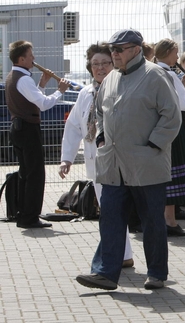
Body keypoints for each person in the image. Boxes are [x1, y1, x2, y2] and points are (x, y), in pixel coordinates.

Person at [76, 29, 181, 291]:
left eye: (118, 49)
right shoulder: (110, 78)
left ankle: (157, 273)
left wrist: (153, 144)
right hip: (113, 164)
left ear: (135, 49)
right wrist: (101, 138)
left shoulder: (155, 75)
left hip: (146, 164)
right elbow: (100, 112)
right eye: (112, 49)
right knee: (110, 219)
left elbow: (172, 116)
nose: (114, 54)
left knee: (151, 221)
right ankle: (105, 274)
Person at [60, 43, 134, 265]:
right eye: (95, 64)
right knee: (109, 211)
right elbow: (73, 126)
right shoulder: (86, 93)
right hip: (97, 164)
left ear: (114, 64)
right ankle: (124, 256)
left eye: (105, 63)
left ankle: (113, 259)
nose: (100, 68)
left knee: (114, 212)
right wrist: (67, 158)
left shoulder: (122, 87)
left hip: (122, 162)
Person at [6, 40, 70, 229]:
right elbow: (43, 105)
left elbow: (34, 100)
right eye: (31, 55)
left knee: (26, 173)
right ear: (22, 58)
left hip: (20, 128)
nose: (34, 58)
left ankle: (25, 214)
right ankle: (29, 217)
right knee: (35, 175)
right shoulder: (23, 79)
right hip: (26, 129)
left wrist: (42, 84)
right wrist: (60, 91)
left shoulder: (15, 76)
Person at [153, 39, 185, 236]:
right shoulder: (170, 74)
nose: (177, 57)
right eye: (176, 53)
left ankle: (161, 219)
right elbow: (184, 104)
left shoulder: (151, 71)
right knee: (173, 173)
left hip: (156, 128)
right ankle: (170, 220)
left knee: (161, 175)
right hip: (174, 127)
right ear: (168, 53)